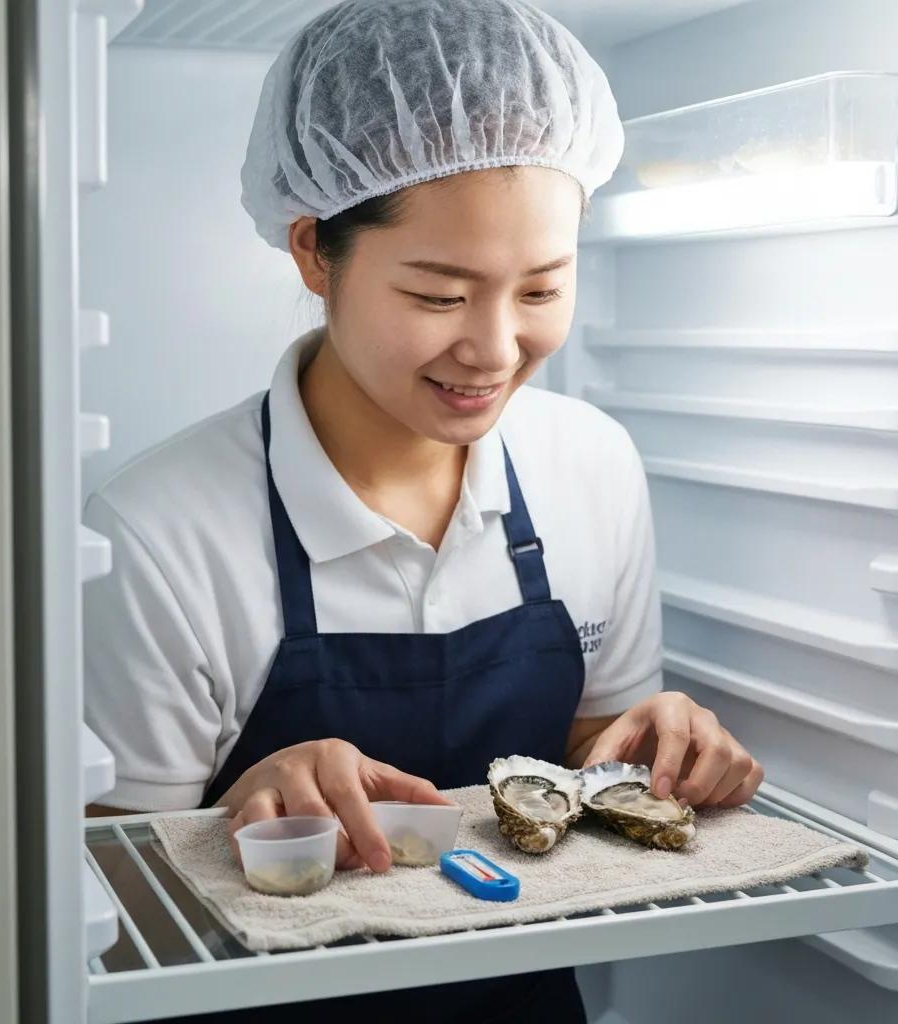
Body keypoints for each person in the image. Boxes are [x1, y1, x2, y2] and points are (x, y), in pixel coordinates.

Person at [84, 1, 764, 1020]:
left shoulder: (591, 465)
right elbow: (100, 918)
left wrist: (653, 745)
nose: (494, 349)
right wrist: (237, 815)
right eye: (440, 295)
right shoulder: (159, 531)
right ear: (314, 252)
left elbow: (587, 753)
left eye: (542, 289)